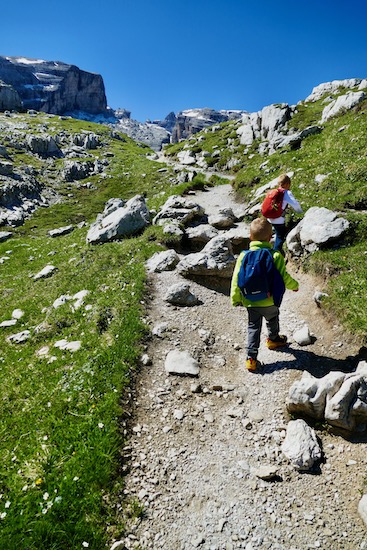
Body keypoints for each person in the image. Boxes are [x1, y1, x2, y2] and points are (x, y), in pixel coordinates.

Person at [230, 217, 299, 372]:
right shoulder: (275, 256)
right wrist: (295, 286)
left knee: (253, 327)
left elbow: (236, 278)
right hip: (270, 300)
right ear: (270, 238)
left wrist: (235, 298)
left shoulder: (243, 256)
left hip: (250, 301)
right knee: (272, 318)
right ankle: (273, 340)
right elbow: (284, 277)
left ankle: (251, 359)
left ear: (250, 237)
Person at [266, 173, 302, 254]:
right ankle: (275, 255)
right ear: (287, 184)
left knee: (270, 236)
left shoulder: (273, 192)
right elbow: (295, 205)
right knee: (280, 237)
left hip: (269, 218)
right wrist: (301, 213)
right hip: (278, 219)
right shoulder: (286, 193)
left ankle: (268, 251)